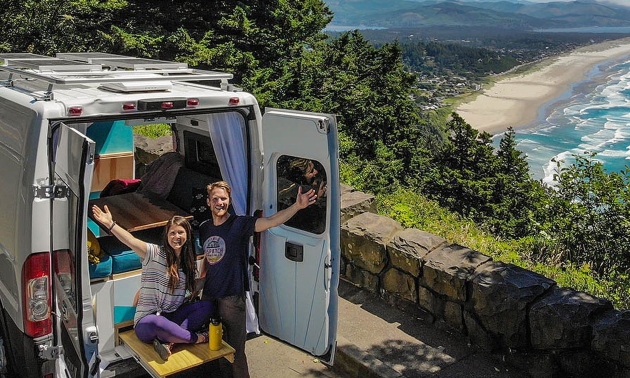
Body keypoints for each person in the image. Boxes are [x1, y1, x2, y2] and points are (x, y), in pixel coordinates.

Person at [198, 180, 318, 378]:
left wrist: (297, 206)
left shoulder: (240, 224)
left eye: (224, 198)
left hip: (231, 298)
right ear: (209, 202)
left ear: (229, 201)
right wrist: (201, 281)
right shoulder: (205, 227)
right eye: (216, 199)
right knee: (215, 347)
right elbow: (208, 259)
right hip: (210, 295)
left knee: (236, 352)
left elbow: (271, 221)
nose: (220, 202)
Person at [91, 205, 214, 361]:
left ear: (188, 235)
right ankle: (195, 338)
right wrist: (110, 224)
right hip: (148, 321)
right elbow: (130, 240)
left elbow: (194, 286)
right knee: (158, 322)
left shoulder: (187, 262)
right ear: (167, 236)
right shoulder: (154, 253)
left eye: (181, 232)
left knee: (206, 306)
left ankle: (170, 340)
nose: (177, 236)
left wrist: (216, 273)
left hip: (172, 316)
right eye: (173, 233)